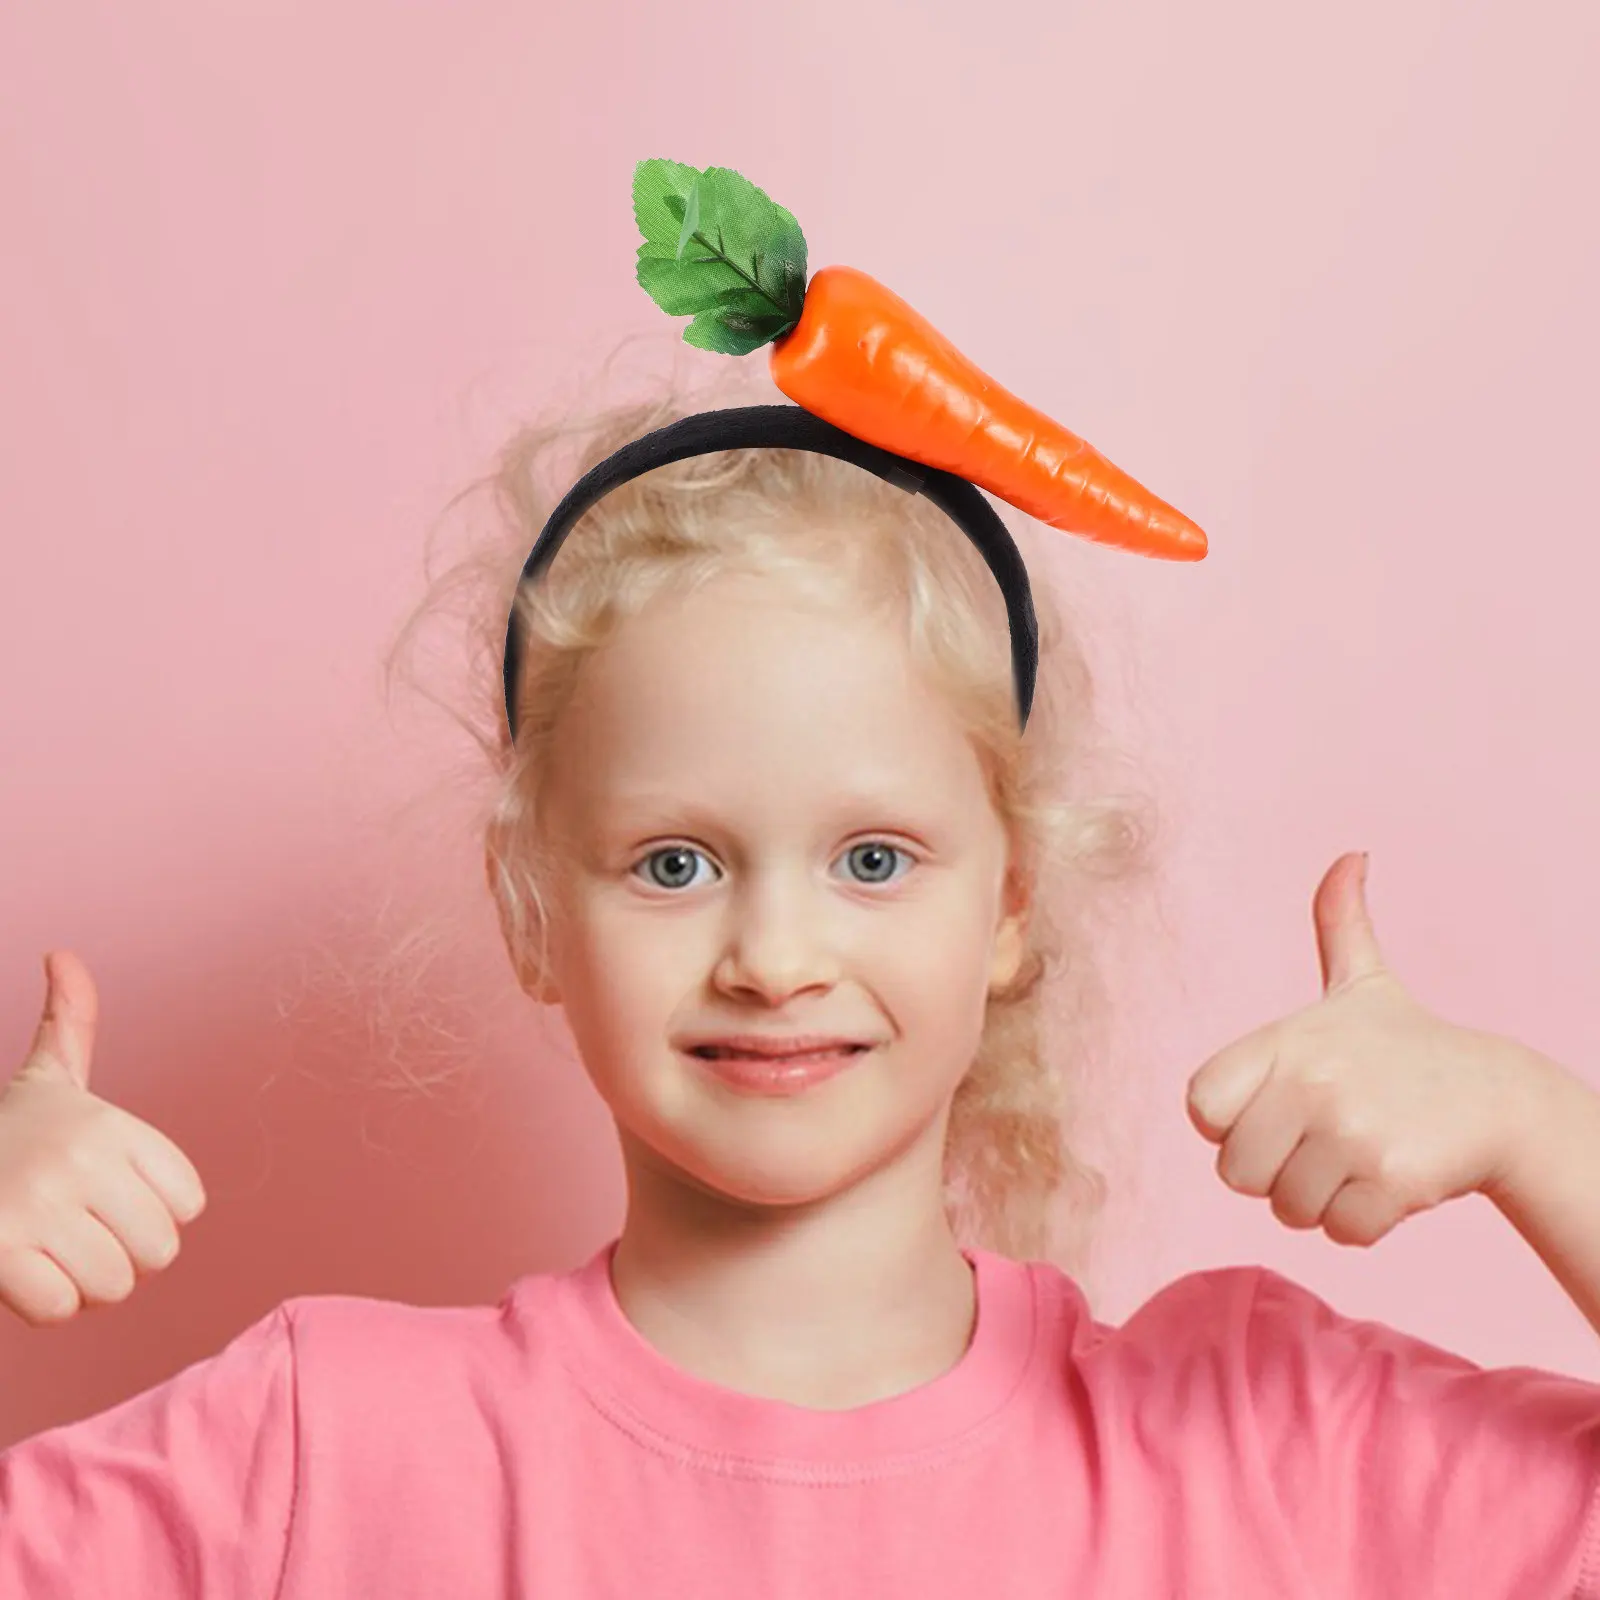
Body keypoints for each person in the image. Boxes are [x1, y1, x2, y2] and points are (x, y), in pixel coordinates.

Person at [4, 162, 1600, 1598]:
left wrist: (1540, 1127)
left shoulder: (1266, 1441)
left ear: (1015, 906)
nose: (775, 952)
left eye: (875, 859)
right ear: (530, 910)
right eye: (675, 861)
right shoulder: (320, 1450)